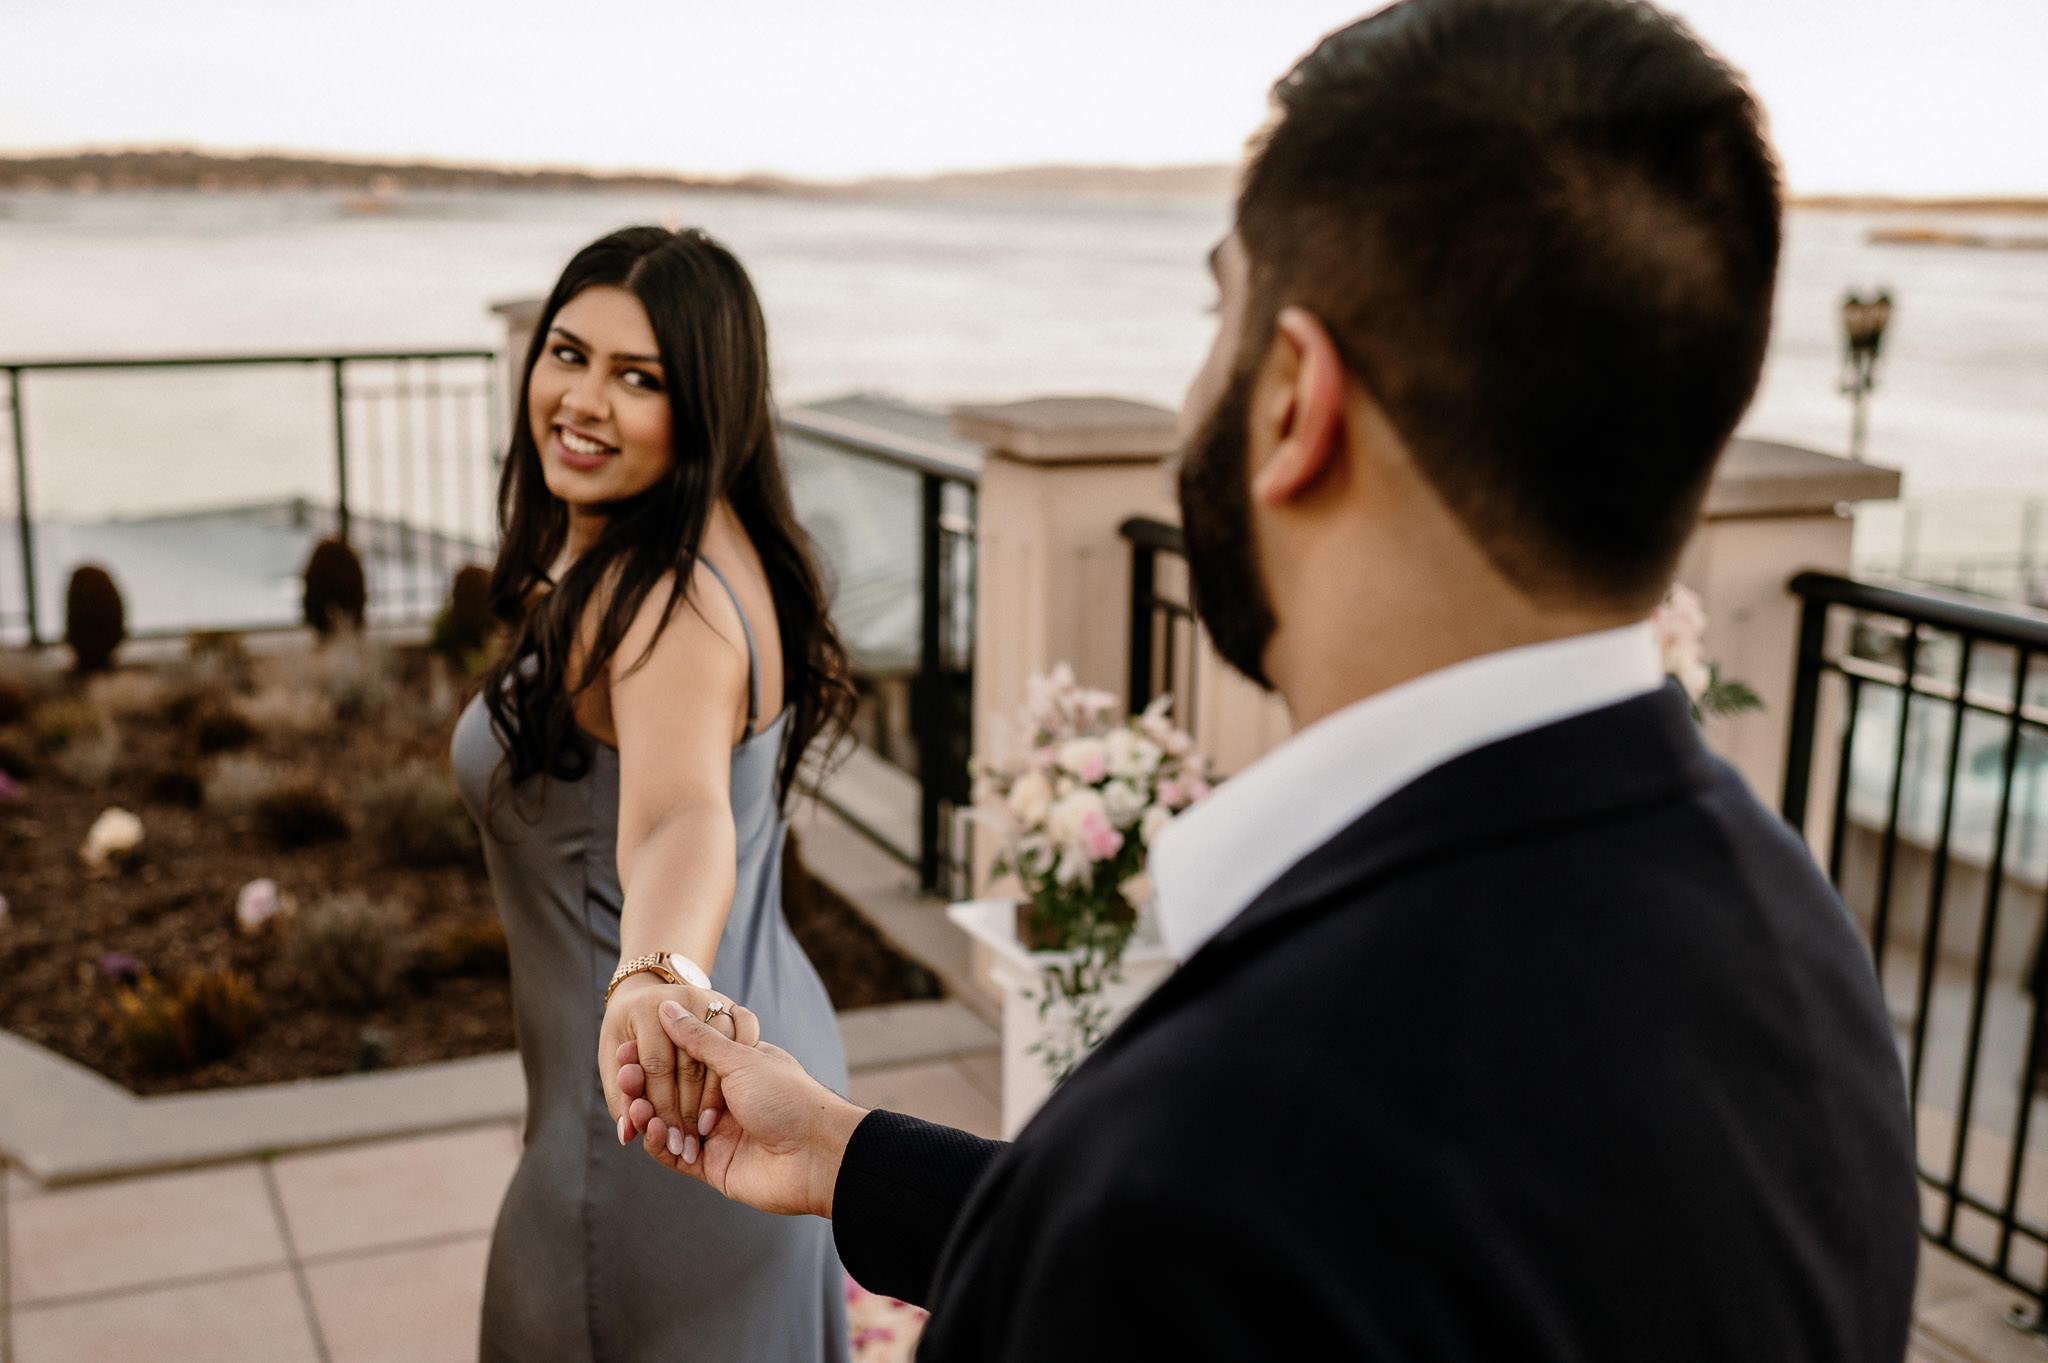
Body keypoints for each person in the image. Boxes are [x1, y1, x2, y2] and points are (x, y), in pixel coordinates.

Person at [620, 0, 1924, 1357]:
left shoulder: (1233, 1135)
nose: (1198, 391)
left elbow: (1212, 1241)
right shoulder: (1805, 953)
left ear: (1295, 397)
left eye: (1218, 312)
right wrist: (848, 1153)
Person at [451, 225, 858, 1362]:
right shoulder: (723, 539)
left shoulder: (662, 597)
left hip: (656, 1111)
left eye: (638, 378)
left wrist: (655, 977)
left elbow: (683, 816)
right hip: (770, 1047)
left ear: (707, 404)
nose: (581, 399)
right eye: (567, 353)